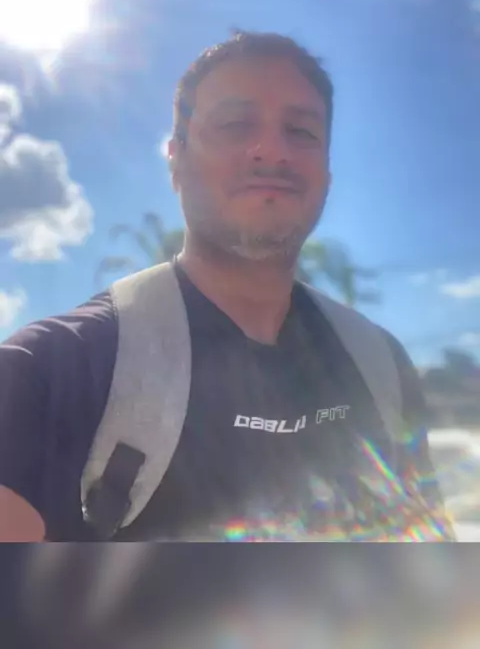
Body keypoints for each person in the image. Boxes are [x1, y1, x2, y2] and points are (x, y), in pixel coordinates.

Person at [0, 30, 453, 542]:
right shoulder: (47, 374)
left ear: (327, 173)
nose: (272, 149)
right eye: (236, 124)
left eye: (302, 131)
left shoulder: (382, 366)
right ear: (176, 159)